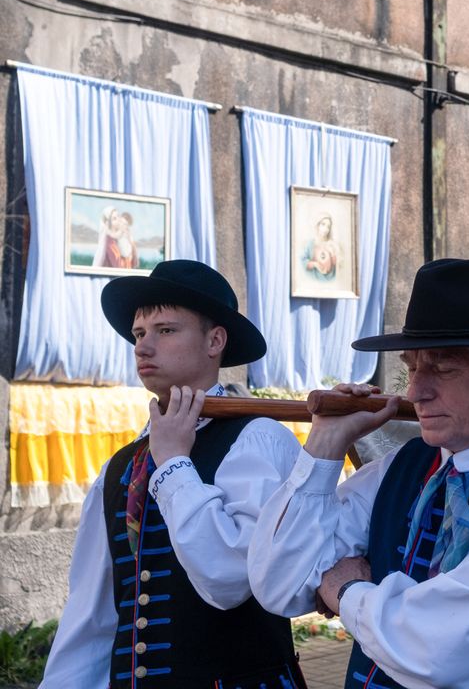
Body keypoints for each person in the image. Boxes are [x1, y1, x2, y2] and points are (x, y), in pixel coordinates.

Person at [247, 258, 469, 688]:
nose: (416, 391)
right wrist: (325, 445)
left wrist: (346, 592)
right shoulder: (401, 468)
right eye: (413, 365)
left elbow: (441, 652)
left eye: (442, 368)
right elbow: (279, 582)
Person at [40, 259, 305, 688]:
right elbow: (91, 614)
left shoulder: (259, 439)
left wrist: (174, 462)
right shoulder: (120, 468)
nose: (143, 347)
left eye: (165, 331)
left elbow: (228, 578)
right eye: (139, 334)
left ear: (215, 340)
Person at [301, 213, 339, 281]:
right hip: (313, 279)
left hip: (330, 280)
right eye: (323, 224)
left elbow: (336, 265)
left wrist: (332, 253)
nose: (326, 229)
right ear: (317, 225)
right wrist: (315, 264)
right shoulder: (310, 244)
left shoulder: (331, 244)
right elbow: (303, 261)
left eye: (328, 226)